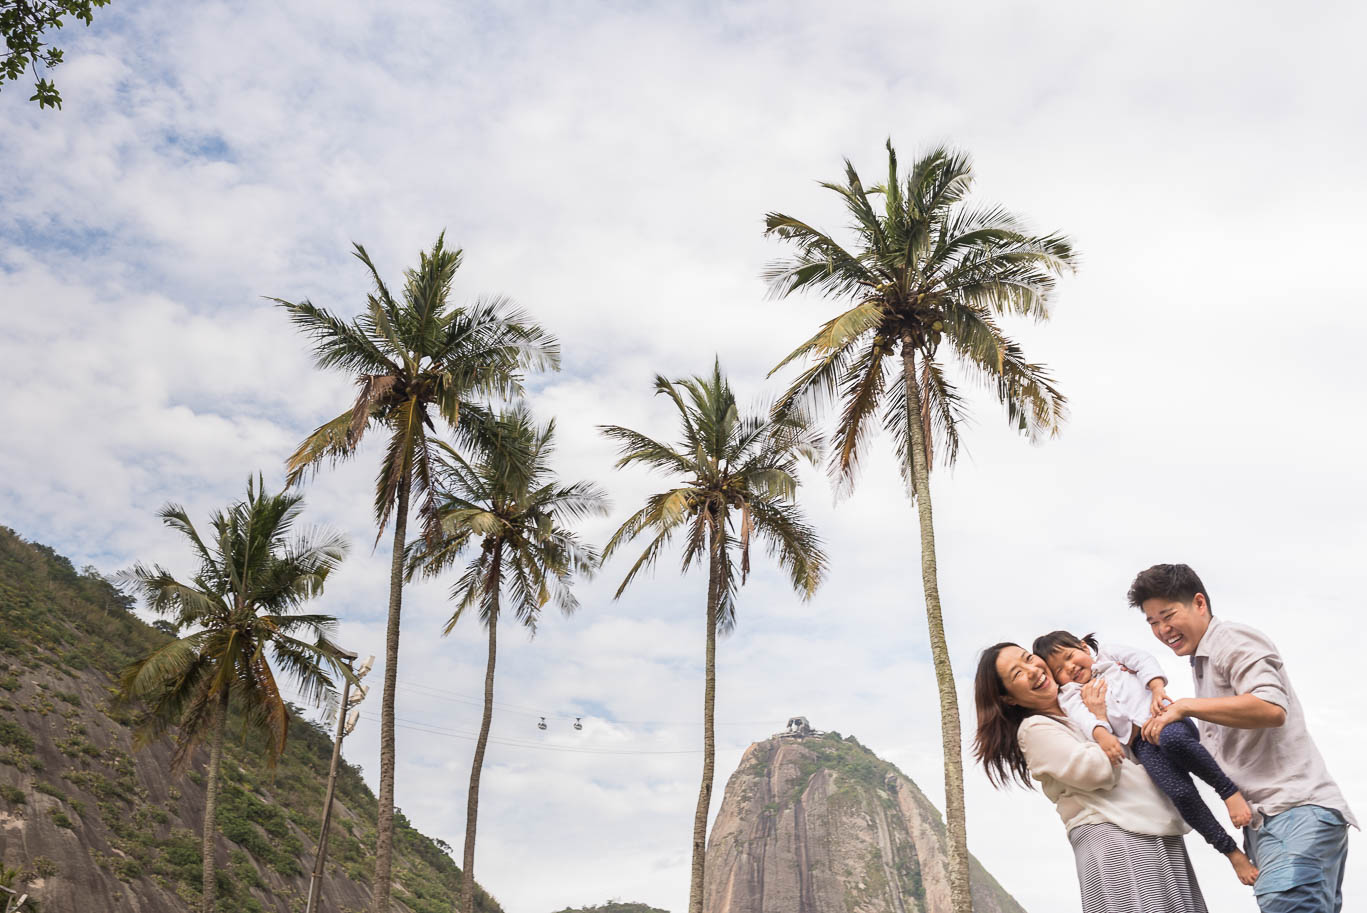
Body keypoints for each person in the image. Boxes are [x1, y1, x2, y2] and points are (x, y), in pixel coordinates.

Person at [1129, 563, 1356, 913]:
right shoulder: (1202, 662)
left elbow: (1270, 707)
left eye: (1167, 615)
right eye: (1153, 623)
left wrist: (1187, 707)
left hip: (1293, 812)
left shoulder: (1230, 640)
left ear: (1199, 603)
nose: (1162, 629)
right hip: (1275, 822)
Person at [974, 641, 1207, 913]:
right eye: (1017, 674)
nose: (1033, 670)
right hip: (1115, 837)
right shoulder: (1035, 729)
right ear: (1008, 698)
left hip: (1151, 827)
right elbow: (1098, 770)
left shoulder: (1077, 708)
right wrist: (1101, 721)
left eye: (1028, 658)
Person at [1033, 629, 1257, 884]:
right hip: (1142, 744)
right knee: (1180, 794)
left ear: (1084, 648)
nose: (1070, 668)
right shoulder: (1072, 694)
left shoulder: (1110, 654)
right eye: (1059, 669)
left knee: (1174, 741)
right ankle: (1230, 851)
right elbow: (1084, 719)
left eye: (1070, 656)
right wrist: (1103, 734)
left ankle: (1227, 791)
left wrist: (1157, 687)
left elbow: (1143, 660)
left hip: (1164, 717)